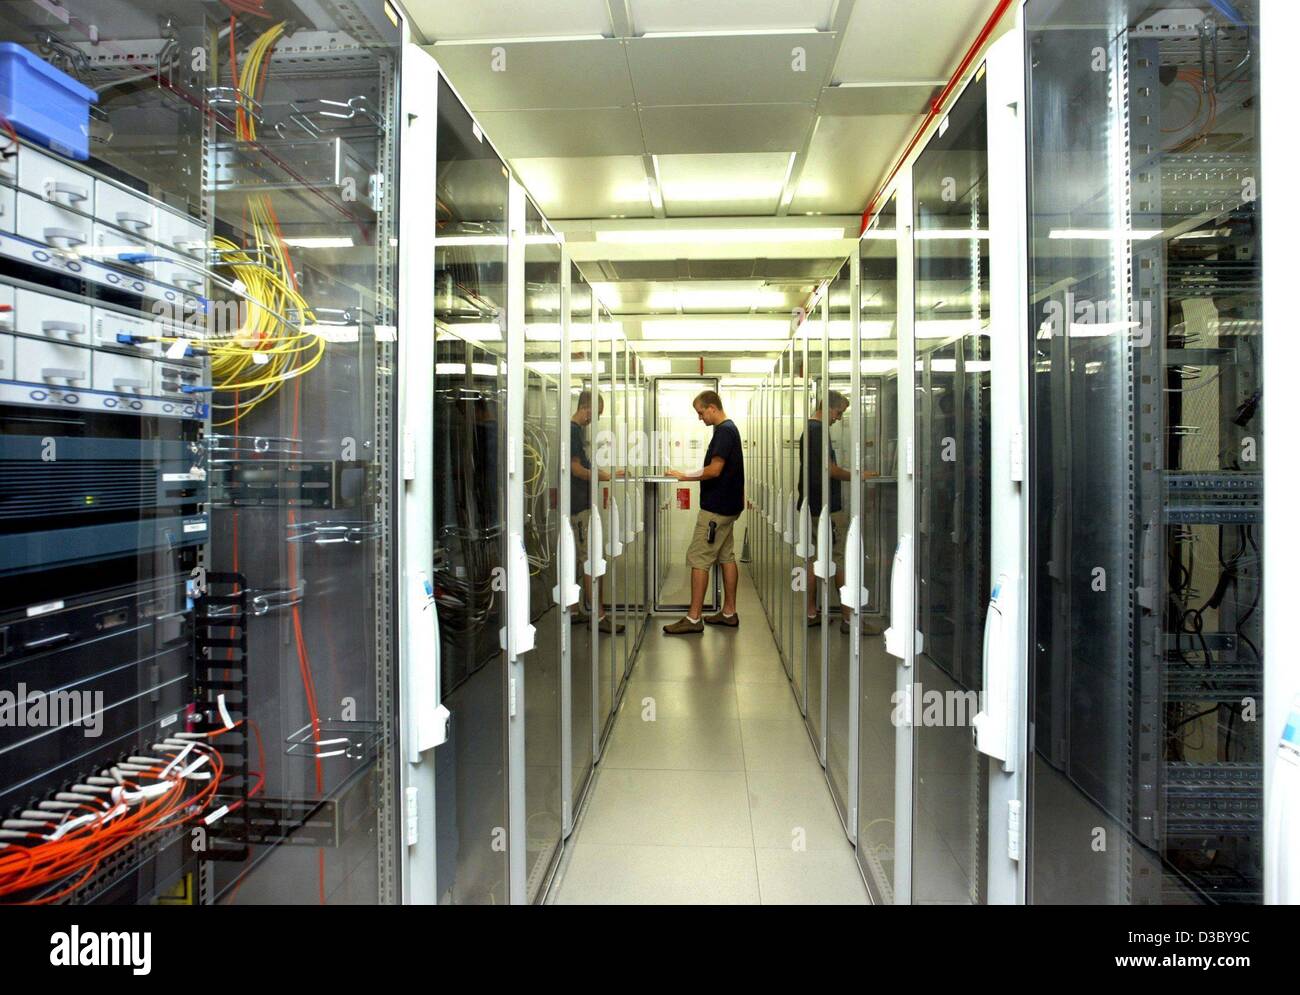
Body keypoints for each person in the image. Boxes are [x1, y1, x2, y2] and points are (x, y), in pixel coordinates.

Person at [663, 390, 745, 634]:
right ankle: (729, 613)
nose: (700, 418)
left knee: (699, 559)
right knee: (726, 557)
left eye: (701, 412)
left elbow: (714, 470)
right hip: (728, 509)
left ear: (712, 407)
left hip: (716, 511)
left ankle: (694, 618)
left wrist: (683, 475)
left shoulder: (724, 431)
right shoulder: (729, 429)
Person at [799, 390, 876, 634]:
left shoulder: (809, 429)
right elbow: (830, 470)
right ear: (828, 407)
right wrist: (858, 475)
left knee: (815, 559)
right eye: (838, 412)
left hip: (813, 505)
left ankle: (812, 612)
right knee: (840, 559)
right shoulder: (818, 431)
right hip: (827, 508)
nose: (839, 418)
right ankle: (848, 619)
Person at [571, 390, 623, 634]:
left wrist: (610, 473)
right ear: (586, 407)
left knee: (581, 561)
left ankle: (574, 611)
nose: (595, 418)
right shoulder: (572, 431)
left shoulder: (577, 433)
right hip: (580, 508)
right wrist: (605, 476)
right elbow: (577, 470)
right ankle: (599, 618)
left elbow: (586, 467)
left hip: (581, 505)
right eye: (596, 413)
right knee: (592, 560)